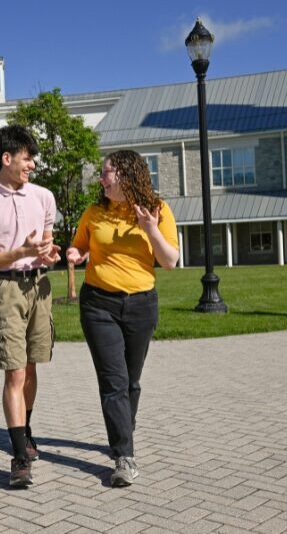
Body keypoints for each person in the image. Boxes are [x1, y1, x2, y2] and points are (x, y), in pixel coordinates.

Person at [66, 150, 179, 487]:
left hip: (142, 305)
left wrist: (150, 229)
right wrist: (76, 252)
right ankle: (123, 456)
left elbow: (170, 260)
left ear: (128, 176)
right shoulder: (94, 211)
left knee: (131, 380)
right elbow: (80, 247)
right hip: (99, 304)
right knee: (114, 381)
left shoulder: (157, 209)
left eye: (107, 173)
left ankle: (123, 429)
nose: (101, 179)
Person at [0, 125, 60, 488]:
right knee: (15, 373)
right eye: (26, 158)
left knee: (33, 368)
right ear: (6, 159)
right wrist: (19, 252)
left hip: (40, 285)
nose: (32, 165)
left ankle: (26, 430)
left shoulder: (44, 198)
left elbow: (47, 246)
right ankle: (19, 456)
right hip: (6, 287)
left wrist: (49, 253)